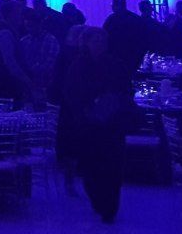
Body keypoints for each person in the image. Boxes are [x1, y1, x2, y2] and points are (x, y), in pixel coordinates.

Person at [61, 27, 134, 224]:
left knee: (113, 165)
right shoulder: (78, 66)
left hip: (112, 124)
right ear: (87, 43)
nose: (100, 44)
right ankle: (99, 200)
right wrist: (87, 109)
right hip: (89, 124)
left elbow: (127, 90)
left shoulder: (115, 65)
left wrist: (112, 103)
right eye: (96, 40)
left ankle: (110, 206)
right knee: (92, 165)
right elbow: (71, 94)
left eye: (102, 40)